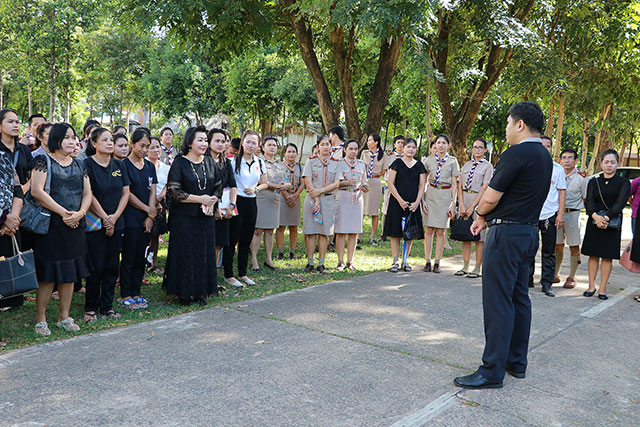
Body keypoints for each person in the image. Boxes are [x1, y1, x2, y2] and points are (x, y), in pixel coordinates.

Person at [454, 101, 552, 389]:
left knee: (498, 301)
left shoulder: (516, 153)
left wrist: (481, 214)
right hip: (528, 233)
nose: (507, 129)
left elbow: (491, 196)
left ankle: (491, 370)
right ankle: (516, 362)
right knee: (519, 297)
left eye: (509, 123)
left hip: (506, 236)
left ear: (519, 124)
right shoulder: (545, 156)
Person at [31, 123, 92, 336]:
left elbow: (87, 194)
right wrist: (65, 213)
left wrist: (81, 213)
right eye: (67, 137)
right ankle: (41, 319)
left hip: (75, 225)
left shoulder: (79, 164)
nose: (72, 141)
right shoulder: (42, 160)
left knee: (69, 273)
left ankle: (64, 317)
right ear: (56, 139)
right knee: (48, 275)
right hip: (52, 226)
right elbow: (37, 191)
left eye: (74, 137)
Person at [163, 126, 223, 305]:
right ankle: (184, 292)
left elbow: (218, 185)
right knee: (186, 253)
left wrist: (213, 200)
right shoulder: (180, 162)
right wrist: (200, 199)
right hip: (184, 218)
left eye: (206, 140)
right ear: (190, 142)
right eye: (200, 140)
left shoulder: (210, 162)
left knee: (203, 252)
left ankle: (201, 291)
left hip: (205, 218)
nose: (204, 143)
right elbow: (174, 191)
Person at [83, 127, 130, 321]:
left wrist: (115, 217)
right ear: (94, 144)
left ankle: (107, 306)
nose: (110, 143)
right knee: (96, 266)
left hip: (117, 220)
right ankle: (90, 307)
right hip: (94, 221)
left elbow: (125, 192)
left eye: (111, 140)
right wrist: (105, 217)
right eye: (105, 140)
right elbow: (89, 194)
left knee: (112, 265)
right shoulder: (86, 164)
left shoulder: (119, 165)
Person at [581, 149, 630, 300]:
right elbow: (589, 201)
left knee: (607, 257)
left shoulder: (623, 182)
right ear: (601, 163)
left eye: (612, 162)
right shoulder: (593, 181)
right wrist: (596, 217)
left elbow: (620, 203)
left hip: (612, 222)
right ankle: (591, 286)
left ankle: (603, 289)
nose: (609, 165)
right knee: (593, 255)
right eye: (606, 162)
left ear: (617, 164)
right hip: (594, 220)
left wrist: (606, 218)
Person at [223, 130, 268, 287]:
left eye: (254, 142)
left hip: (252, 202)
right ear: (242, 142)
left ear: (258, 145)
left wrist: (256, 189)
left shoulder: (259, 162)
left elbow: (265, 183)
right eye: (248, 142)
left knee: (246, 238)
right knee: (232, 238)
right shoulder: (233, 161)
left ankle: (242, 273)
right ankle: (228, 274)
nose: (250, 145)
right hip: (237, 202)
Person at [120, 128, 157, 309]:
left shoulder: (149, 166)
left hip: (146, 218)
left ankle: (137, 291)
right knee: (129, 256)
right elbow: (128, 194)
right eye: (141, 145)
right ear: (132, 144)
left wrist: (150, 214)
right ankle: (126, 293)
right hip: (130, 217)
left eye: (147, 146)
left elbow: (153, 189)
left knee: (141, 256)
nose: (144, 150)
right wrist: (147, 210)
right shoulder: (124, 165)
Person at [0, 109, 32, 309]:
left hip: (12, 217)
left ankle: (11, 298)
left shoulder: (5, 158)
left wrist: (12, 216)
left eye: (17, 122)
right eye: (9, 121)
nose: (15, 125)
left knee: (11, 256)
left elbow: (17, 190)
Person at [527, 135, 566, 297]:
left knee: (548, 251)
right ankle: (527, 279)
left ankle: (547, 283)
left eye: (548, 146)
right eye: (541, 145)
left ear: (552, 149)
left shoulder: (557, 169)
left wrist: (560, 214)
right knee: (529, 249)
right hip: (531, 214)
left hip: (550, 215)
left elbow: (561, 192)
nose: (544, 148)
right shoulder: (529, 166)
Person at [383, 138, 426, 272]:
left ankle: (405, 260)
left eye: (413, 147)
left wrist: (417, 202)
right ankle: (395, 261)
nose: (411, 150)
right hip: (397, 203)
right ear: (403, 148)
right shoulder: (396, 163)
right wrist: (400, 200)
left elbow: (422, 186)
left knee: (410, 232)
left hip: (413, 204)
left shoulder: (419, 165)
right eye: (408, 147)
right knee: (396, 233)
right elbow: (390, 183)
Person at [302, 135, 341, 273]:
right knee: (311, 232)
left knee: (324, 233)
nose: (325, 147)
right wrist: (316, 197)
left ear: (331, 146)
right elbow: (307, 180)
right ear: (317, 146)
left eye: (327, 144)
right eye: (322, 144)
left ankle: (321, 263)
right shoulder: (311, 161)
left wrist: (321, 191)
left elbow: (336, 183)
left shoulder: (336, 162)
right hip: (312, 199)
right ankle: (310, 262)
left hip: (328, 200)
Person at [421, 134, 460, 273]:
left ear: (448, 145)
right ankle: (427, 260)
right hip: (431, 194)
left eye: (444, 143)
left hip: (445, 195)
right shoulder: (429, 161)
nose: (441, 145)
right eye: (439, 143)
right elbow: (423, 181)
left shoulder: (452, 161)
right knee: (429, 229)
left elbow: (455, 183)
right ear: (435, 145)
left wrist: (453, 203)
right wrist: (423, 200)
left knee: (441, 231)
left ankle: (437, 261)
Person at [456, 138, 493, 278]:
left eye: (480, 147)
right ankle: (465, 266)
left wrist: (472, 207)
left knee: (479, 236)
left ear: (485, 150)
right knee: (465, 235)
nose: (477, 150)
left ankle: (477, 267)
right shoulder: (466, 165)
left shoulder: (487, 166)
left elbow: (485, 187)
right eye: (475, 147)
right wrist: (462, 204)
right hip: (465, 199)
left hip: (479, 200)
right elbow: (460, 184)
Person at [251, 137, 289, 271]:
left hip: (275, 199)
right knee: (257, 230)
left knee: (270, 231)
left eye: (274, 145)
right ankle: (254, 259)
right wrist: (275, 186)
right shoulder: (258, 161)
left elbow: (286, 180)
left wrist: (286, 185)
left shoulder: (281, 164)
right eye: (269, 145)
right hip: (261, 197)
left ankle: (269, 259)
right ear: (263, 147)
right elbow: (259, 181)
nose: (272, 147)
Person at [554, 148, 588, 288]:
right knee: (557, 246)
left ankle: (572, 277)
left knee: (574, 246)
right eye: (564, 157)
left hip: (572, 214)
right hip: (556, 214)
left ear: (576, 161)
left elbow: (586, 199)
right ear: (560, 160)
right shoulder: (556, 175)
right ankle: (555, 274)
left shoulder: (582, 179)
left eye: (570, 158)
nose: (566, 160)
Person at [335, 139, 369, 270]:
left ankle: (350, 261)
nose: (353, 151)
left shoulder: (361, 164)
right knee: (341, 231)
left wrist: (365, 186)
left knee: (354, 231)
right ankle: (340, 261)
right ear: (345, 150)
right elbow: (336, 183)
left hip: (357, 197)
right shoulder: (339, 164)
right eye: (351, 149)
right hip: (343, 196)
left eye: (355, 149)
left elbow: (364, 181)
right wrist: (346, 182)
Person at [208, 128, 237, 267]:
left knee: (218, 244)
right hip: (207, 209)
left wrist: (232, 205)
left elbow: (233, 185)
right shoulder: (203, 162)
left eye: (224, 141)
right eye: (217, 141)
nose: (221, 144)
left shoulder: (226, 163)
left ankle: (213, 276)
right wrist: (214, 208)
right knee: (206, 243)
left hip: (224, 209)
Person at [276, 143, 304, 260]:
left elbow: (303, 183)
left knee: (293, 227)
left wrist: (295, 195)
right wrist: (287, 196)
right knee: (281, 226)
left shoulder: (300, 167)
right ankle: (280, 251)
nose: (291, 154)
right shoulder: (280, 166)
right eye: (289, 152)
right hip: (282, 198)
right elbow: (279, 182)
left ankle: (292, 252)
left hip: (295, 197)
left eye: (293, 152)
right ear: (285, 153)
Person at [146, 136, 170, 274]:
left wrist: (160, 197)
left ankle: (153, 263)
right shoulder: (144, 165)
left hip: (161, 204)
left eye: (157, 147)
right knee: (145, 235)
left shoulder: (165, 167)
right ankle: (143, 263)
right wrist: (152, 200)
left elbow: (168, 184)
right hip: (146, 203)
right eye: (152, 147)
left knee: (155, 234)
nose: (155, 150)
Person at [360, 134, 386, 244]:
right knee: (361, 209)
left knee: (374, 211)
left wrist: (374, 176)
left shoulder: (383, 155)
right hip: (364, 182)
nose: (368, 142)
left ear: (376, 142)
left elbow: (384, 170)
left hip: (375, 183)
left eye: (370, 140)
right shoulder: (364, 153)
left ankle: (373, 237)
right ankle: (359, 236)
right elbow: (360, 167)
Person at [381, 135, 405, 241]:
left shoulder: (407, 157)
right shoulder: (389, 156)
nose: (400, 144)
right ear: (394, 144)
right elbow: (384, 171)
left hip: (402, 187)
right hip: (390, 186)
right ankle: (383, 233)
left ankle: (400, 231)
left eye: (402, 143)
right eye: (398, 142)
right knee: (386, 208)